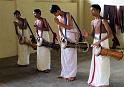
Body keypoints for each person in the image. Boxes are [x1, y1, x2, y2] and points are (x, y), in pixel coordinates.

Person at [50, 5, 78, 81]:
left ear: (58, 10)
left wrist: (58, 23)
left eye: (54, 13)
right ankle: (64, 73)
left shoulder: (67, 14)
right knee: (64, 56)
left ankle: (72, 75)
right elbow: (59, 29)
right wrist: (61, 37)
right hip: (63, 37)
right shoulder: (58, 17)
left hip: (70, 35)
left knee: (70, 56)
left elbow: (70, 27)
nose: (54, 15)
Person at [88, 4, 113, 87]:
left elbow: (110, 34)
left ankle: (104, 83)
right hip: (96, 41)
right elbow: (92, 34)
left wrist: (99, 41)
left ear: (98, 11)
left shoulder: (103, 20)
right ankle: (96, 81)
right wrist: (87, 35)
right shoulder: (92, 21)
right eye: (91, 10)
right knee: (96, 62)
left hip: (103, 41)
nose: (91, 12)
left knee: (103, 61)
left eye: (93, 10)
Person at [33, 9, 51, 73]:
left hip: (44, 36)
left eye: (35, 13)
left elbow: (47, 28)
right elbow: (37, 30)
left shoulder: (43, 20)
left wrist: (38, 27)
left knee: (45, 52)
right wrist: (36, 37)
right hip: (39, 37)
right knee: (39, 52)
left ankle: (46, 68)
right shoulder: (36, 21)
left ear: (39, 13)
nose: (34, 14)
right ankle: (40, 67)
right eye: (33, 13)